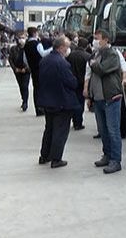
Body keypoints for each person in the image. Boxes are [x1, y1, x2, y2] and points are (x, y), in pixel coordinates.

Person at [84, 29, 124, 174]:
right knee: (103, 130)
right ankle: (107, 155)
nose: (95, 41)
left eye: (98, 38)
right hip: (99, 98)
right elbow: (90, 67)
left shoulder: (112, 54)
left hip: (111, 98)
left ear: (106, 40)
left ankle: (116, 160)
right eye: (94, 38)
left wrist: (93, 63)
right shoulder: (96, 54)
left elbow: (101, 69)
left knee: (113, 131)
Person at [37, 36, 78, 168]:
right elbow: (71, 82)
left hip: (48, 101)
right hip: (62, 102)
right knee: (60, 131)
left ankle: (44, 155)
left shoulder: (45, 60)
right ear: (61, 48)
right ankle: (56, 158)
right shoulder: (62, 63)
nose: (68, 50)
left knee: (49, 129)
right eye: (67, 47)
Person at [23, 27, 52, 116]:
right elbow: (43, 54)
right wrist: (52, 49)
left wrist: (29, 66)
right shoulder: (37, 44)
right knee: (42, 88)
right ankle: (42, 107)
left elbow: (24, 59)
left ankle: (37, 109)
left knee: (36, 89)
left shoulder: (26, 44)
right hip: (40, 68)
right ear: (35, 33)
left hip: (33, 69)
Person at [67, 36, 91, 130]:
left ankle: (74, 120)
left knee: (74, 101)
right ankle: (78, 122)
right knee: (80, 103)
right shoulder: (87, 56)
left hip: (72, 81)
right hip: (82, 82)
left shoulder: (71, 55)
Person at [8, 32, 31, 111]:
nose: (21, 39)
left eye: (23, 38)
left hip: (26, 70)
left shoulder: (28, 48)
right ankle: (23, 98)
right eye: (20, 38)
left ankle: (25, 102)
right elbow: (10, 59)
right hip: (17, 70)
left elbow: (32, 60)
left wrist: (27, 68)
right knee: (21, 86)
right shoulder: (13, 49)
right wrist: (15, 68)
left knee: (25, 86)